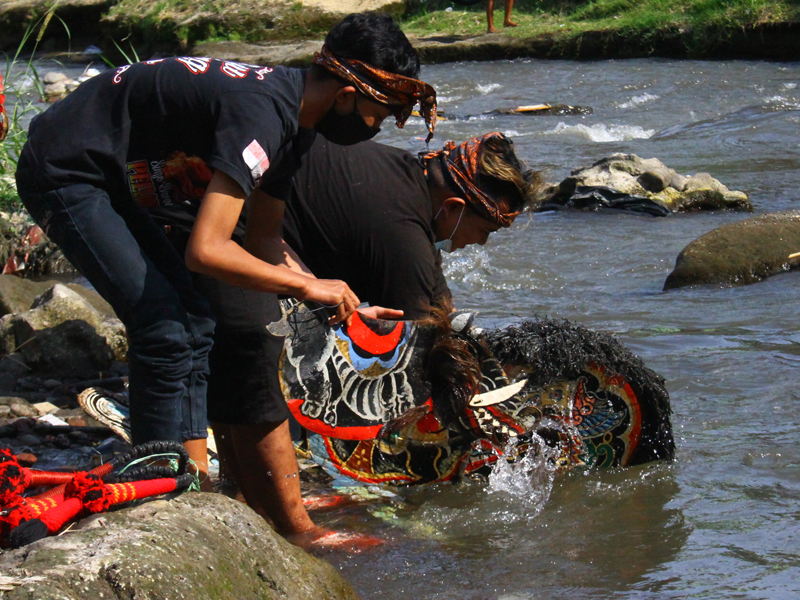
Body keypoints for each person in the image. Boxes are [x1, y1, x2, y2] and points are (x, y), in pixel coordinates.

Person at [14, 12, 436, 514]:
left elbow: (262, 238)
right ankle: (156, 491)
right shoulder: (263, 114)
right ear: (347, 95)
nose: (379, 126)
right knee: (164, 330)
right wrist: (306, 290)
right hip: (65, 169)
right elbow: (208, 250)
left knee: (194, 322)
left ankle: (190, 488)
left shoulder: (296, 120)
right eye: (381, 114)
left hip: (110, 173)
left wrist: (341, 307)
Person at [283, 132, 542, 320]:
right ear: (453, 207)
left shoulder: (413, 180)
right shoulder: (405, 238)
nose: (481, 242)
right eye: (485, 231)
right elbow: (415, 341)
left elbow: (441, 309)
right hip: (254, 249)